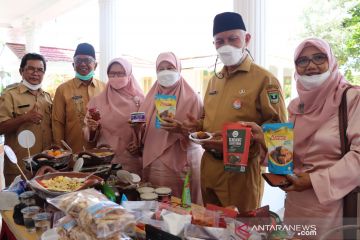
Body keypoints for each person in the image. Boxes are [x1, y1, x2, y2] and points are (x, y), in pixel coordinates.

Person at [245, 37, 360, 238]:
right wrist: (263, 138)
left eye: (319, 57)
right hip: (296, 202)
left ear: (332, 61)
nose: (311, 65)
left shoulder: (352, 99)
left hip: (332, 205)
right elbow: (289, 156)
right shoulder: (297, 106)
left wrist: (314, 181)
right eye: (302, 61)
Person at [183, 12, 287, 212]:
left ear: (246, 39)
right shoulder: (215, 79)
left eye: (233, 39)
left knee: (241, 227)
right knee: (212, 225)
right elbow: (208, 118)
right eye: (219, 41)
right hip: (210, 165)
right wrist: (196, 126)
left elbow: (278, 131)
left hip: (242, 171)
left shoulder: (265, 79)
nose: (226, 45)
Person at [134, 52, 203, 204]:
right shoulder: (150, 98)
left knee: (180, 206)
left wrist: (182, 130)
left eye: (170, 68)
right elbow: (142, 132)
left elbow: (202, 136)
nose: (165, 72)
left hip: (181, 164)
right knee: (156, 205)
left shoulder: (193, 98)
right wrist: (137, 128)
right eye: (161, 68)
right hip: (153, 164)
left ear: (179, 69)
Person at [83, 58, 145, 175]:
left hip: (131, 159)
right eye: (112, 74)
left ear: (129, 74)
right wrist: (92, 129)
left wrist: (139, 145)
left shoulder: (139, 101)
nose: (116, 77)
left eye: (120, 73)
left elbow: (145, 129)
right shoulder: (97, 101)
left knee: (131, 191)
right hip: (105, 159)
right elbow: (89, 132)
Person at [0, 53, 52, 185]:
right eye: (31, 68)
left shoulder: (46, 97)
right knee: (18, 203)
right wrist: (24, 118)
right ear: (21, 71)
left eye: (40, 70)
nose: (35, 73)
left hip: (44, 165)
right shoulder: (9, 95)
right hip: (19, 167)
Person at [52, 43, 106, 153]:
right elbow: (57, 123)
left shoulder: (104, 88)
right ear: (73, 65)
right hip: (73, 152)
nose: (82, 64)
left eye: (87, 60)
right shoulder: (63, 90)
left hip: (101, 152)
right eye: (78, 61)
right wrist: (61, 152)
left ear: (95, 65)